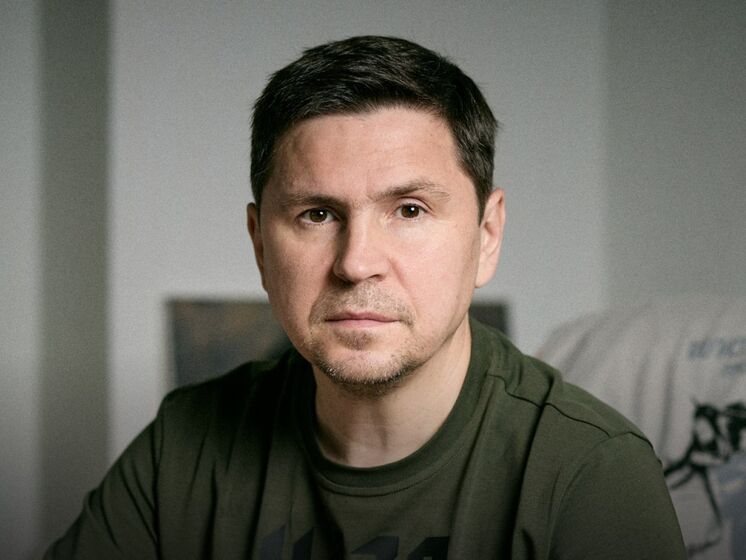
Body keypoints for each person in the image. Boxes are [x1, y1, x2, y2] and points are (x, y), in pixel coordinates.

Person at [45, 35, 685, 559]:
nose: (356, 263)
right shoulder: (185, 448)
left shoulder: (588, 474)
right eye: (318, 214)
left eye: (409, 210)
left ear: (487, 236)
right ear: (261, 246)